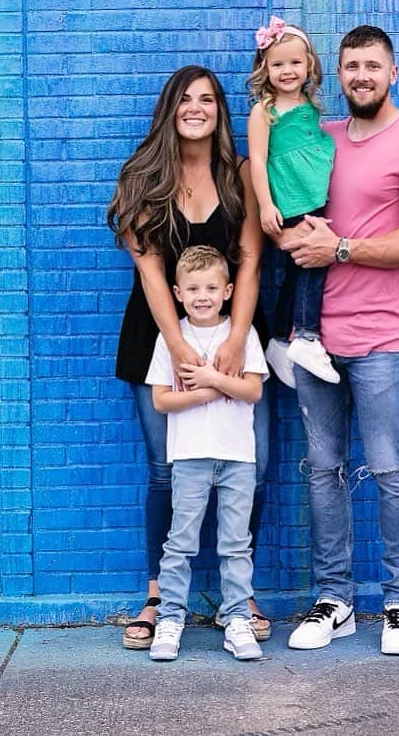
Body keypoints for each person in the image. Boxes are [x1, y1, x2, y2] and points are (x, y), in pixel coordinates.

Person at [281, 25, 399, 656]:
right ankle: (335, 600)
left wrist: (343, 247)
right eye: (351, 65)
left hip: (381, 339)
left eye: (372, 65)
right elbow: (267, 177)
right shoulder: (318, 138)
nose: (361, 75)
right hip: (313, 342)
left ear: (393, 72)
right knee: (322, 469)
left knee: (389, 468)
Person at [107, 66, 272, 649]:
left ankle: (239, 593)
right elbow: (149, 267)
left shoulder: (241, 175)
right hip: (156, 336)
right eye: (186, 99)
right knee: (164, 472)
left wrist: (234, 338)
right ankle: (158, 594)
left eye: (207, 99)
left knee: (252, 466)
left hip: (235, 331)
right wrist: (177, 345)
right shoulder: (143, 176)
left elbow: (250, 260)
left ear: (219, 110)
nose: (196, 108)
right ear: (170, 109)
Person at [145, 246, 269, 661]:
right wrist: (214, 391)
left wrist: (210, 378)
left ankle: (236, 619)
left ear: (229, 290)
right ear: (177, 292)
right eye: (194, 288)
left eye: (212, 287)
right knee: (181, 542)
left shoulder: (242, 334)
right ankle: (170, 618)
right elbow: (162, 401)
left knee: (235, 545)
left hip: (237, 456)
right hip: (190, 455)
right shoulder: (172, 339)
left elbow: (253, 390)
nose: (203, 295)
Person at [247, 16, 339, 388]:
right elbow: (257, 161)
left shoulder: (309, 106)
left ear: (309, 66)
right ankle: (307, 335)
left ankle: (281, 342)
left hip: (313, 193)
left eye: (295, 63)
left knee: (296, 272)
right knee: (313, 265)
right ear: (265, 69)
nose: (287, 71)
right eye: (278, 64)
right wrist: (266, 205)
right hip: (290, 196)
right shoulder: (264, 111)